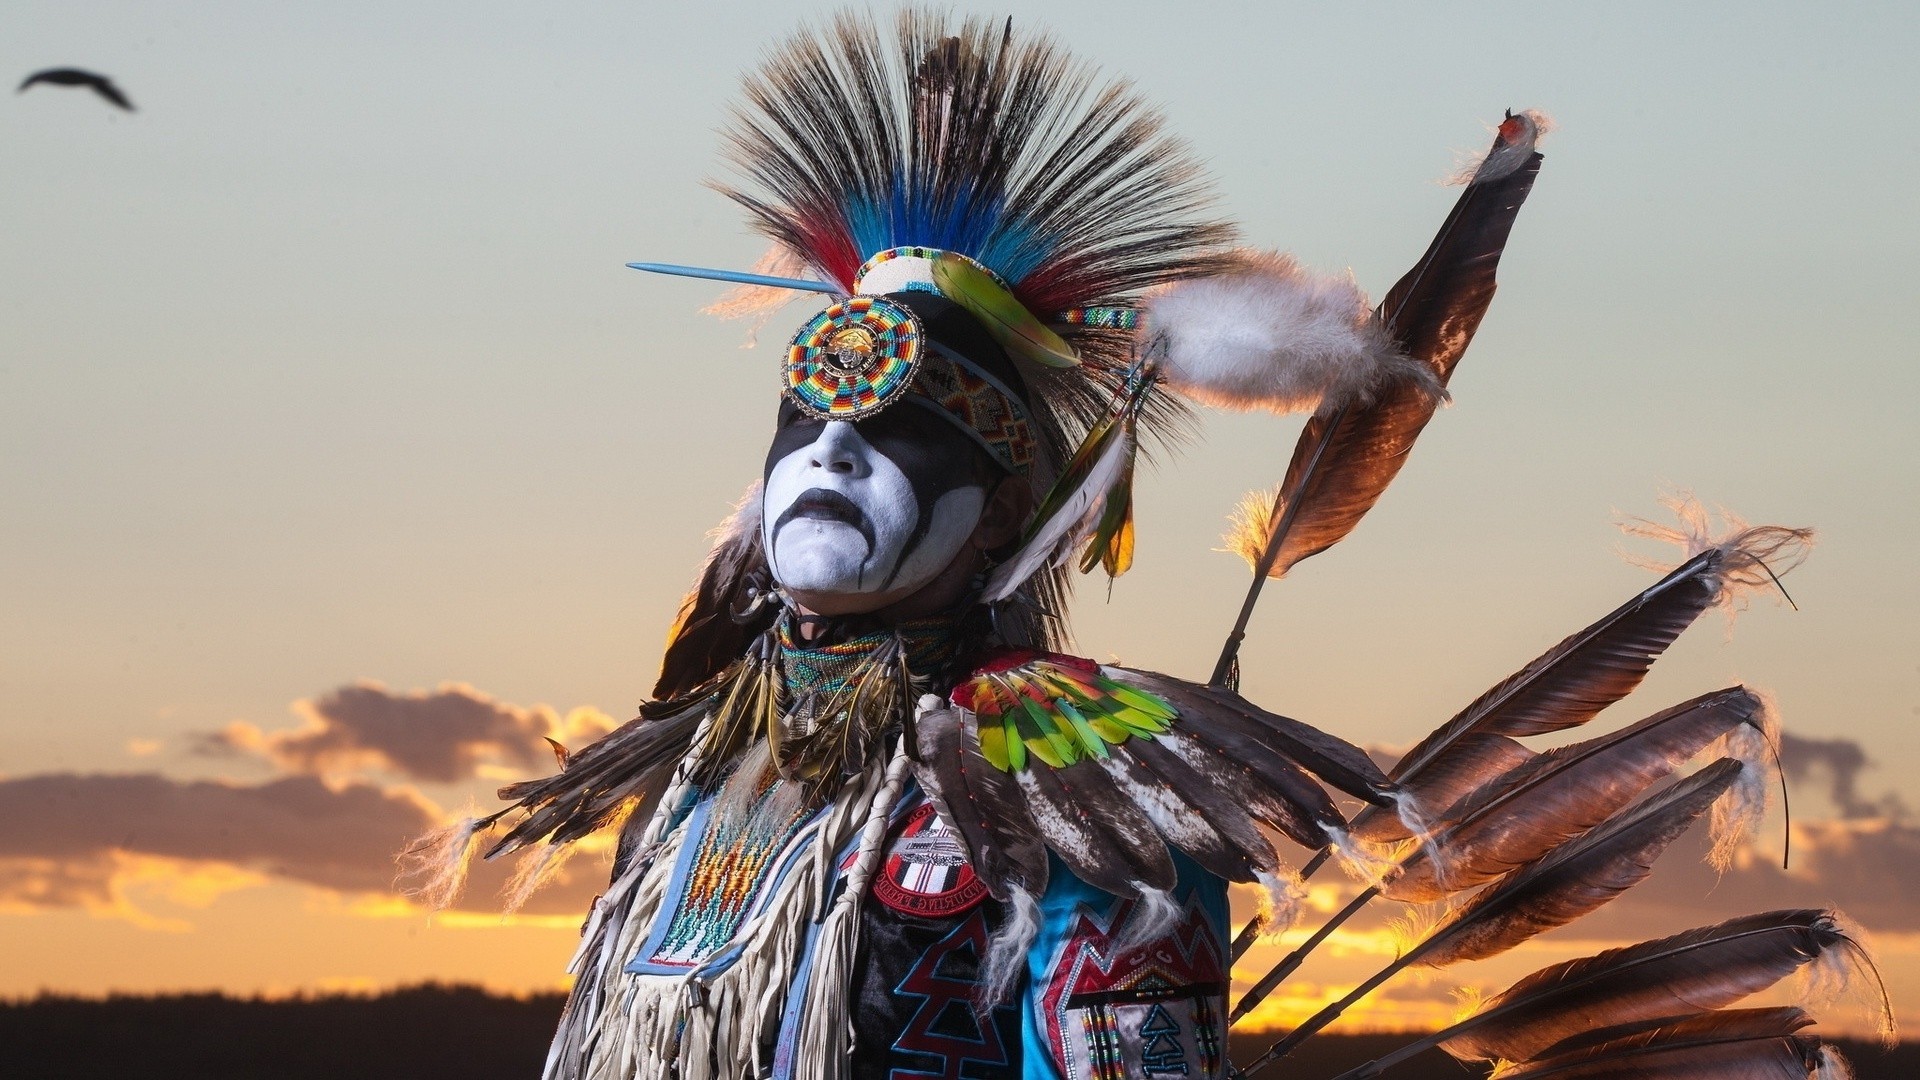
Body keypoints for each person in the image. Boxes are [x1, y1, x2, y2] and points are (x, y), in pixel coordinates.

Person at [408, 11, 1879, 1080]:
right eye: (806, 425)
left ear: (1015, 515)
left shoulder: (1088, 783)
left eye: (912, 431)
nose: (837, 451)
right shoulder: (687, 770)